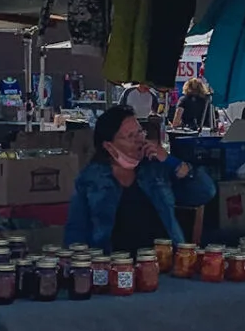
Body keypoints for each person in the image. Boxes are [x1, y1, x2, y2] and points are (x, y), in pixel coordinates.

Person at [64, 106, 216, 252]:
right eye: (131, 136)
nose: (140, 140)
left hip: (164, 261)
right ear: (109, 146)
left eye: (140, 132)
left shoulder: (156, 169)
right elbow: (76, 229)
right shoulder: (90, 179)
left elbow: (205, 192)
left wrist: (170, 161)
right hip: (113, 265)